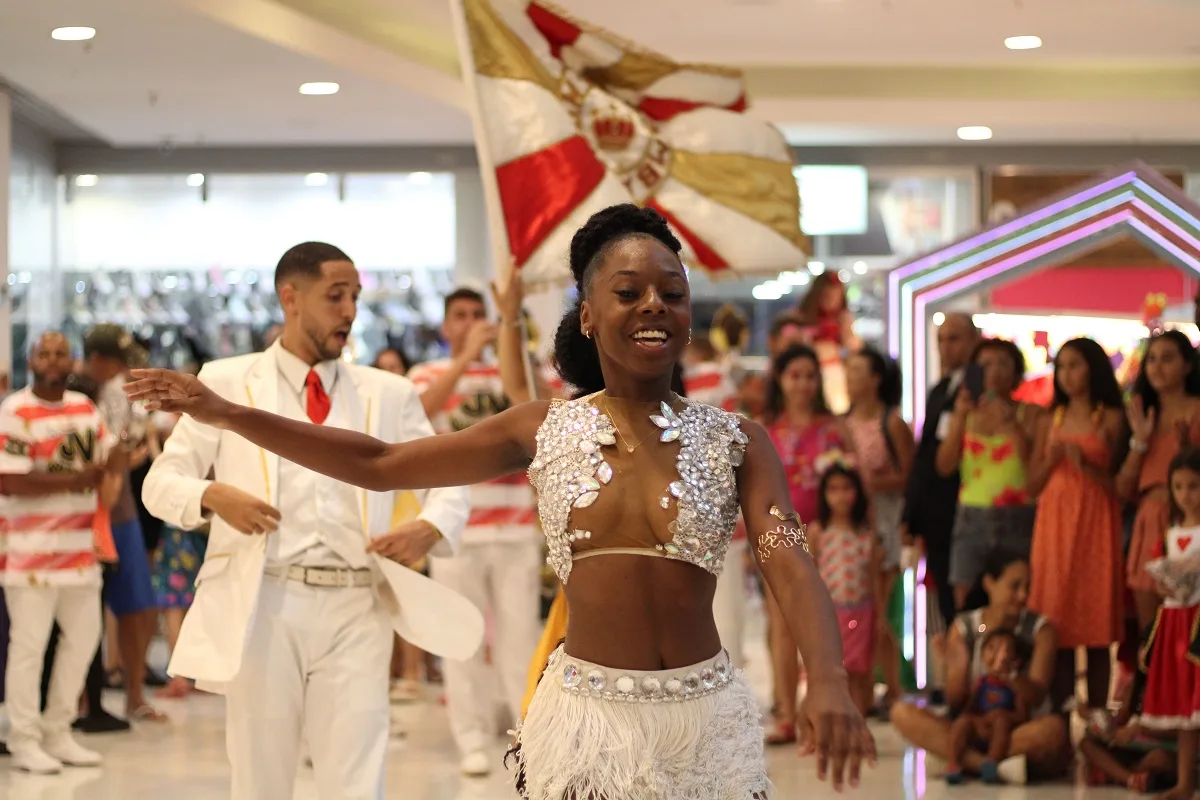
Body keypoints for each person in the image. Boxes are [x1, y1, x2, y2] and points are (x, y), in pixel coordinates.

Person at [126, 205, 875, 798]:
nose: (654, 306)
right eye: (628, 292)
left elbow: (786, 561)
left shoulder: (737, 438)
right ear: (588, 314)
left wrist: (829, 678)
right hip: (588, 720)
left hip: (707, 718)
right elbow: (383, 464)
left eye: (672, 294)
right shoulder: (542, 426)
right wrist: (228, 414)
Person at [138, 242, 476, 800]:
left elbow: (448, 475)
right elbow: (159, 484)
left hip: (357, 602)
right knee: (260, 776)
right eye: (335, 297)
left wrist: (431, 526)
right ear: (289, 298)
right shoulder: (224, 381)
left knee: (358, 775)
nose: (349, 311)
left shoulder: (387, 393)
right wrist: (213, 494)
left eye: (355, 298)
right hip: (263, 602)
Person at [405, 285, 541, 777]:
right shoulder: (428, 372)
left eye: (475, 314)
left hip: (516, 527)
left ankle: (528, 731)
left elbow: (533, 405)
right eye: (459, 316)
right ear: (445, 326)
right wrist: (463, 358)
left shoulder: (512, 369)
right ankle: (472, 739)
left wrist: (505, 335)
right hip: (456, 529)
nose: (468, 322)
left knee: (521, 638)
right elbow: (417, 413)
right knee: (459, 640)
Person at [0, 332, 126, 773]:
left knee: (83, 642)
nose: (53, 361)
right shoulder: (14, 412)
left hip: (79, 552)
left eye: (60, 354)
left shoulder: (83, 408)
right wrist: (74, 481)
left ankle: (58, 730)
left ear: (73, 361)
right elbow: (8, 480)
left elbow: (111, 453)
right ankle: (24, 738)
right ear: (31, 360)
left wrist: (118, 458)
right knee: (29, 648)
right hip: (28, 553)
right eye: (44, 354)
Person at [890, 553, 1070, 784]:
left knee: (1052, 731)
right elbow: (957, 703)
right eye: (1014, 586)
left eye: (1028, 587)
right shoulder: (964, 626)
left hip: (1015, 730)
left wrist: (1012, 675)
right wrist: (955, 667)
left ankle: (957, 759)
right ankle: (992, 766)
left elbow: (1036, 698)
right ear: (989, 583)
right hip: (970, 729)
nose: (1023, 596)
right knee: (901, 713)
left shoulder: (1041, 630)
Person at [759, 343, 853, 744]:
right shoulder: (764, 429)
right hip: (777, 537)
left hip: (829, 537)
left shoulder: (833, 428)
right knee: (781, 627)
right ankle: (787, 712)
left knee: (828, 623)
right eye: (794, 375)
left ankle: (830, 708)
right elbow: (754, 490)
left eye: (809, 375)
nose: (802, 384)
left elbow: (852, 482)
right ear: (780, 380)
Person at [1027, 337, 1127, 711]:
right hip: (1053, 526)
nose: (1067, 375)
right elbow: (1031, 485)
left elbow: (1119, 484)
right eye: (1061, 367)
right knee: (1057, 624)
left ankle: (1099, 722)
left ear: (1094, 368)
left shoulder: (1113, 418)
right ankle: (1060, 720)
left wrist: (1086, 464)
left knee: (1097, 629)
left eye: (1075, 365)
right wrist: (1052, 461)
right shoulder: (1048, 418)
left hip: (1096, 523)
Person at [80, 323, 165, 722]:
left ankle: (132, 693)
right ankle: (83, 699)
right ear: (98, 361)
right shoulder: (79, 393)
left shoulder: (121, 392)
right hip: (84, 516)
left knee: (137, 606)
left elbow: (123, 451)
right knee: (81, 612)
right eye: (116, 364)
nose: (121, 372)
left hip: (122, 511)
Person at [937, 338, 1041, 611]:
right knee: (965, 596)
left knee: (1020, 597)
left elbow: (1036, 468)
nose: (994, 371)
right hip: (971, 515)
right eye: (985, 364)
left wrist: (1012, 425)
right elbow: (944, 466)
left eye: (1003, 363)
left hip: (1019, 515)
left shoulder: (1031, 414)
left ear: (1016, 371)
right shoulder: (963, 413)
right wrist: (959, 417)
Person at [1118, 330, 1200, 634]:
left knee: (1188, 626)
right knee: (1150, 632)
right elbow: (1122, 489)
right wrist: (1139, 442)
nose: (1157, 367)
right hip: (1149, 520)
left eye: (1167, 359)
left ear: (1188, 365)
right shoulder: (1140, 413)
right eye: (1151, 359)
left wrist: (1187, 448)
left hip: (1191, 522)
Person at [1137, 448, 1200, 800]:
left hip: (1198, 620)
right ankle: (1184, 782)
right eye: (1179, 487)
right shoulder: (1172, 532)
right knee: (1188, 711)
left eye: (1194, 486)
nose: (1186, 494)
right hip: (1177, 621)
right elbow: (1159, 571)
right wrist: (1166, 583)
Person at [809, 463, 881, 716]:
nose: (840, 495)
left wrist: (879, 617)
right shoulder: (818, 533)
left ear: (858, 492)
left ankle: (858, 724)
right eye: (833, 489)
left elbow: (874, 579)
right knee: (833, 671)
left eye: (847, 488)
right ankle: (831, 724)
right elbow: (810, 576)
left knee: (859, 672)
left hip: (861, 614)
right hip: (829, 615)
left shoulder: (866, 535)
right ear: (824, 494)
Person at [945, 628, 1027, 785]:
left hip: (999, 727)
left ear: (1016, 660)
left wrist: (1002, 715)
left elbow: (1022, 715)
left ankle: (992, 762)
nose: (997, 655)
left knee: (1001, 722)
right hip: (980, 723)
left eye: (1005, 650)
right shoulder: (982, 683)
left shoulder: (1014, 686)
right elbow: (969, 707)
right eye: (991, 648)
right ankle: (953, 763)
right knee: (962, 722)